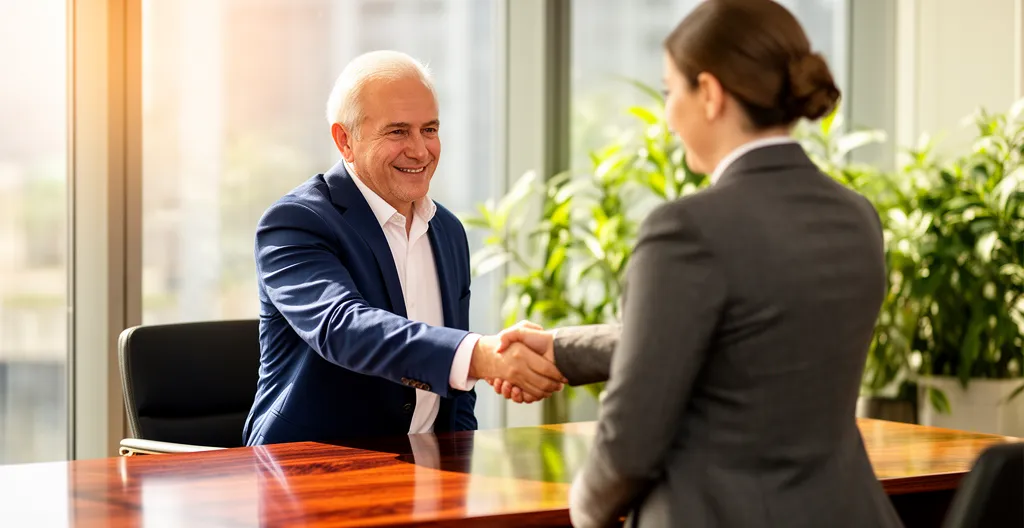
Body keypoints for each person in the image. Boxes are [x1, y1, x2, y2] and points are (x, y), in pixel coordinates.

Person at [493, 1, 905, 526]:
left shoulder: (686, 229)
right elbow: (744, 339)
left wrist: (583, 511)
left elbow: (630, 446)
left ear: (709, 93)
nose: (667, 115)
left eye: (670, 91)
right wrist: (561, 348)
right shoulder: (856, 216)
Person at [242, 51, 563, 446]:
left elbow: (457, 389)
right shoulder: (296, 222)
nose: (420, 150)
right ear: (345, 140)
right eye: (397, 132)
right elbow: (344, 327)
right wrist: (481, 355)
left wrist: (461, 458)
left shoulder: (447, 229)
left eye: (429, 129)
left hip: (429, 467)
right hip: (311, 473)